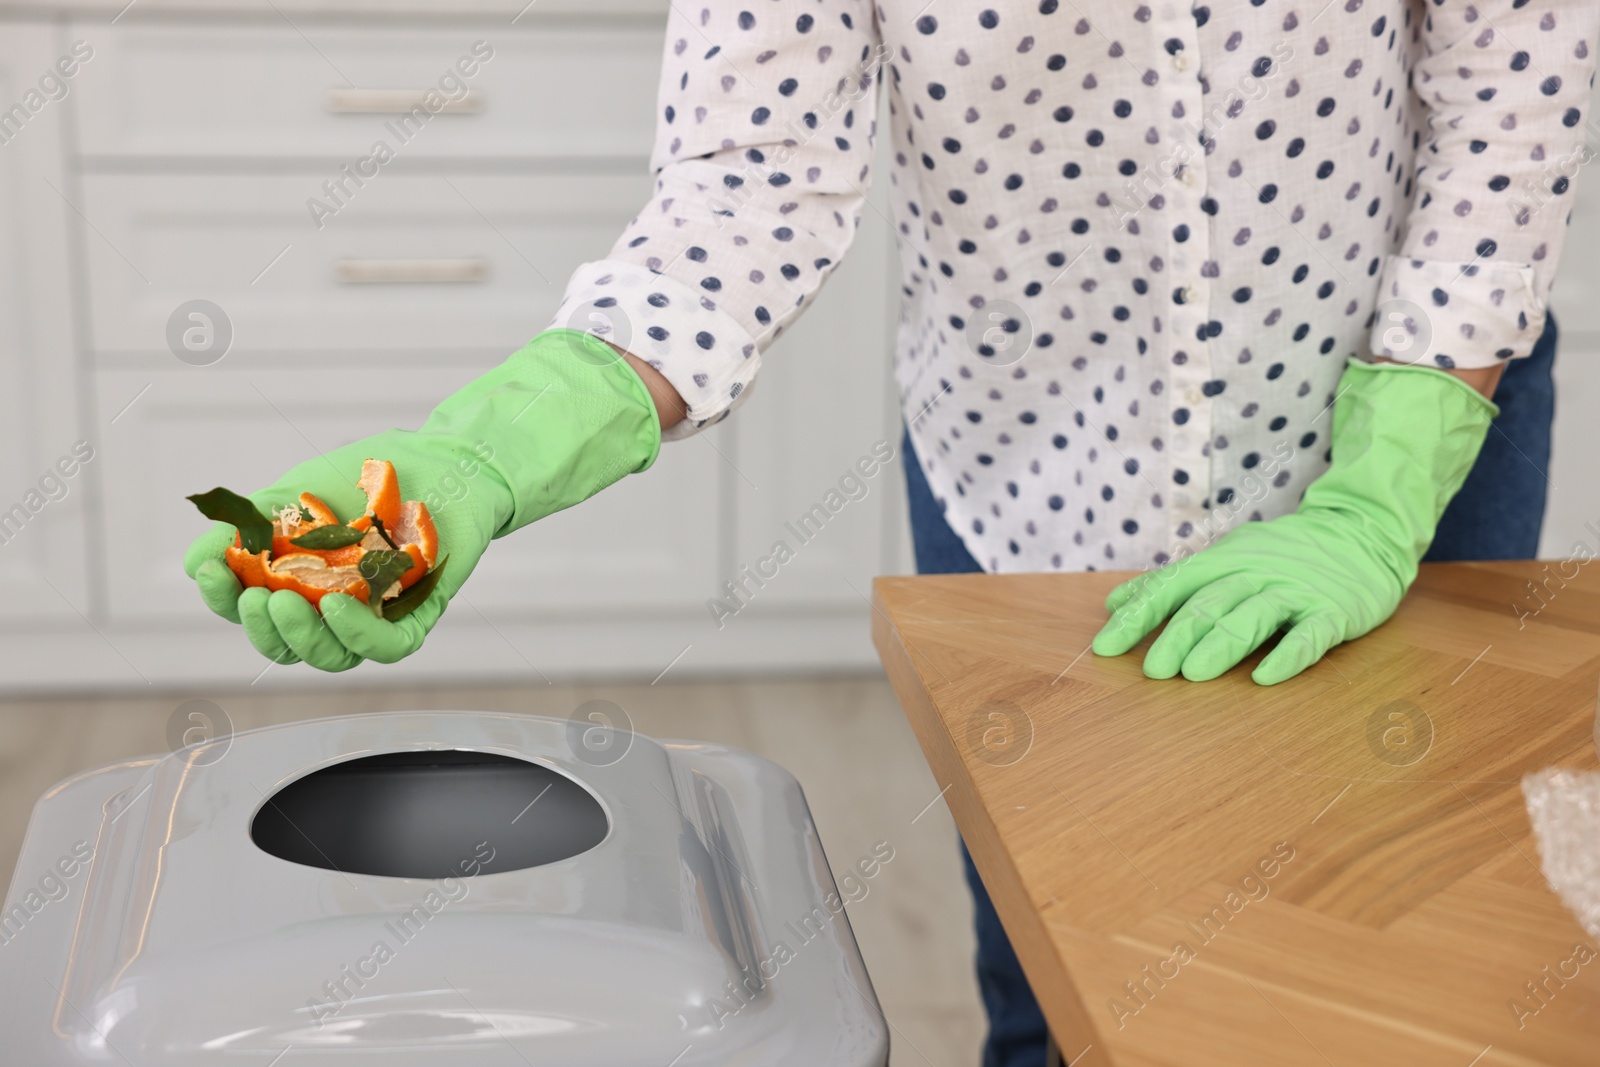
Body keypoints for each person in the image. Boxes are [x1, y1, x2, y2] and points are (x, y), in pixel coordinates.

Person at [184, 2, 1597, 1063]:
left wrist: (1379, 495)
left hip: (1418, 430)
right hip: (1033, 476)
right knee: (1057, 987)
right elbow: (747, 187)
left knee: (1423, 984)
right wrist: (492, 444)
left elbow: (1509, 95)